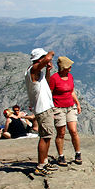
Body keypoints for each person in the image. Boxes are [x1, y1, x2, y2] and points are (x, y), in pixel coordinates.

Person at [25, 48, 56, 176]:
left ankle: (44, 161)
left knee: (47, 137)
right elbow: (48, 57)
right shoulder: (32, 70)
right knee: (44, 137)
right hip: (42, 110)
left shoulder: (39, 73)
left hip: (46, 108)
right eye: (43, 58)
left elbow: (47, 84)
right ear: (39, 59)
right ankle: (40, 166)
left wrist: (48, 71)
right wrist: (51, 52)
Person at [49, 56, 82, 166]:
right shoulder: (54, 78)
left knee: (73, 131)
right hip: (58, 108)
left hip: (70, 107)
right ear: (63, 67)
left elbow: (72, 91)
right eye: (69, 66)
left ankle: (78, 153)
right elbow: (50, 94)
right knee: (61, 133)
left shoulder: (70, 76)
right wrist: (51, 110)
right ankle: (61, 156)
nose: (71, 68)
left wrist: (77, 103)